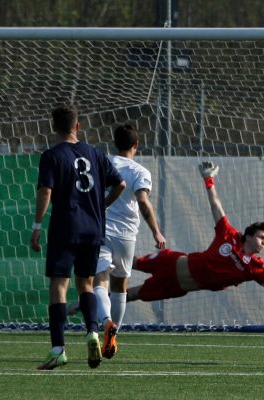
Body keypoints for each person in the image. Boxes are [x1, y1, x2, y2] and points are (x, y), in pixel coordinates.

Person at [30, 104, 126, 370]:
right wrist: (103, 204)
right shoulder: (95, 153)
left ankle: (58, 349)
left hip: (66, 228)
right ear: (77, 126)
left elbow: (45, 191)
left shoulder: (52, 155)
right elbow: (121, 183)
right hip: (93, 228)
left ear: (53, 127)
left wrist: (37, 225)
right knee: (87, 284)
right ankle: (92, 333)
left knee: (59, 287)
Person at [126, 161, 264, 303]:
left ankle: (103, 310)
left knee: (131, 295)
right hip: (172, 262)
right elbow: (216, 206)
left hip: (174, 286)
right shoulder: (229, 235)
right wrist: (209, 180)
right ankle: (102, 260)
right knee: (130, 262)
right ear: (248, 236)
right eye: (261, 237)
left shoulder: (253, 268)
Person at [89, 125, 165, 360]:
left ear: (114, 143)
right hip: (126, 234)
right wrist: (156, 231)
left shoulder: (101, 161)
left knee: (99, 282)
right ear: (137, 144)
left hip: (100, 227)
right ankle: (113, 335)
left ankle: (105, 322)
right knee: (120, 286)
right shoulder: (140, 171)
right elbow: (143, 201)